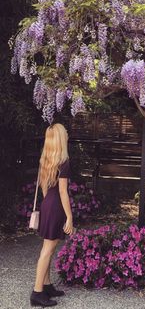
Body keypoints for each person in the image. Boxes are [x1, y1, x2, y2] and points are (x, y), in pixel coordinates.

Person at [30, 123, 74, 307]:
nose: (67, 136)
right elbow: (63, 192)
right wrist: (69, 217)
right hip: (56, 207)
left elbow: (44, 188)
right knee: (47, 250)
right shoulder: (63, 162)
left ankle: (46, 285)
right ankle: (37, 293)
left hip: (48, 203)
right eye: (65, 134)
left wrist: (49, 204)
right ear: (61, 139)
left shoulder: (45, 159)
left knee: (48, 248)